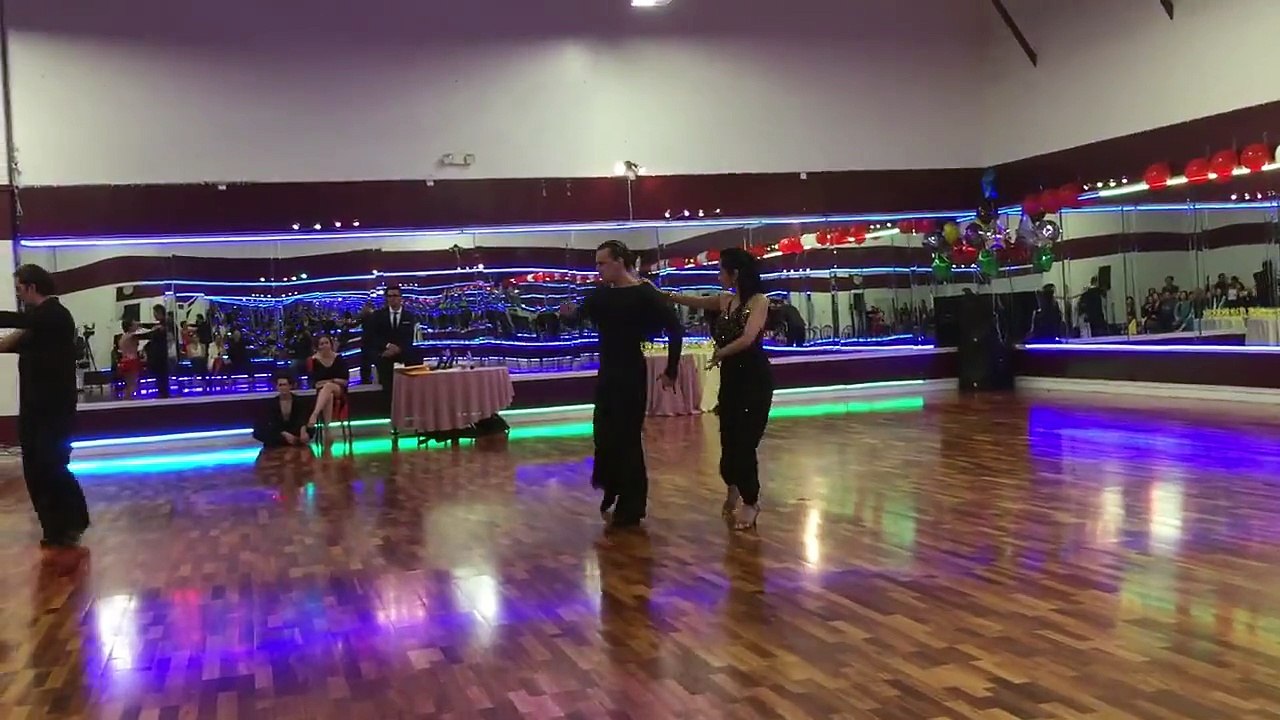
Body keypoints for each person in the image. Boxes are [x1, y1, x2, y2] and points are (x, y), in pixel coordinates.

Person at [560, 241, 683, 529]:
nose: (598, 269)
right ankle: (613, 487)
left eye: (602, 263)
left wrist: (672, 370)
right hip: (608, 373)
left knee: (627, 438)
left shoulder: (644, 294)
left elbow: (675, 329)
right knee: (604, 434)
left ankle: (632, 505)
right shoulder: (601, 296)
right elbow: (576, 320)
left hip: (630, 373)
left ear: (619, 262)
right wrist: (566, 315)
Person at [661, 248, 773, 530]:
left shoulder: (759, 301)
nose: (718, 274)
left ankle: (751, 501)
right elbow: (694, 300)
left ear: (735, 273)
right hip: (732, 380)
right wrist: (666, 295)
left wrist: (721, 353)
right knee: (728, 440)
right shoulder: (725, 301)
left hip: (754, 379)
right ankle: (734, 484)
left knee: (745, 442)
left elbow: (748, 338)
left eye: (721, 269)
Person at [0, 264, 90, 561]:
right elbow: (9, 343)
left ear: (30, 287)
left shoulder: (54, 315)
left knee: (50, 465)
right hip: (35, 408)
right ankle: (56, 529)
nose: (18, 295)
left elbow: (18, 323)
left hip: (53, 408)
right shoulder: (38, 323)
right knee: (37, 468)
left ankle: (71, 523)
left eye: (18, 289)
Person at [367, 285, 419, 418]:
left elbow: (408, 337)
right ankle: (390, 416)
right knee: (388, 389)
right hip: (385, 357)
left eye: (395, 296)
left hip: (404, 357)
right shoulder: (378, 316)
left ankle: (409, 413)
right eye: (389, 296)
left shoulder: (409, 316)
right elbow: (373, 336)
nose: (392, 299)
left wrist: (398, 348)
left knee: (408, 388)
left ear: (400, 298)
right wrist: (388, 346)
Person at [253, 372, 312, 448]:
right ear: (277, 387)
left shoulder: (300, 401)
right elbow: (273, 422)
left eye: (285, 385)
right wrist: (284, 434)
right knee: (259, 431)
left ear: (290, 386)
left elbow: (303, 417)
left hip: (295, 428)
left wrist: (303, 431)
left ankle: (292, 440)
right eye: (280, 385)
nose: (283, 387)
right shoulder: (271, 403)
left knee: (311, 428)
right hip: (279, 431)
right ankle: (286, 441)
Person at [306, 334, 350, 437]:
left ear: (331, 344)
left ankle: (314, 414)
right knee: (328, 393)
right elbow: (315, 384)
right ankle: (327, 429)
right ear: (318, 347)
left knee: (328, 386)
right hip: (323, 392)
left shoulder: (339, 358)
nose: (325, 345)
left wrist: (330, 380)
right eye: (321, 344)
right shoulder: (313, 361)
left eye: (327, 343)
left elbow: (345, 381)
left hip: (339, 390)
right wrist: (330, 381)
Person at [143, 303, 171, 398]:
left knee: (162, 377)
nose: (154, 315)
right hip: (158, 355)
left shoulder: (165, 325)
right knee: (160, 378)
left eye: (155, 312)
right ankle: (162, 393)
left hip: (161, 356)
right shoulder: (159, 325)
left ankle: (164, 395)